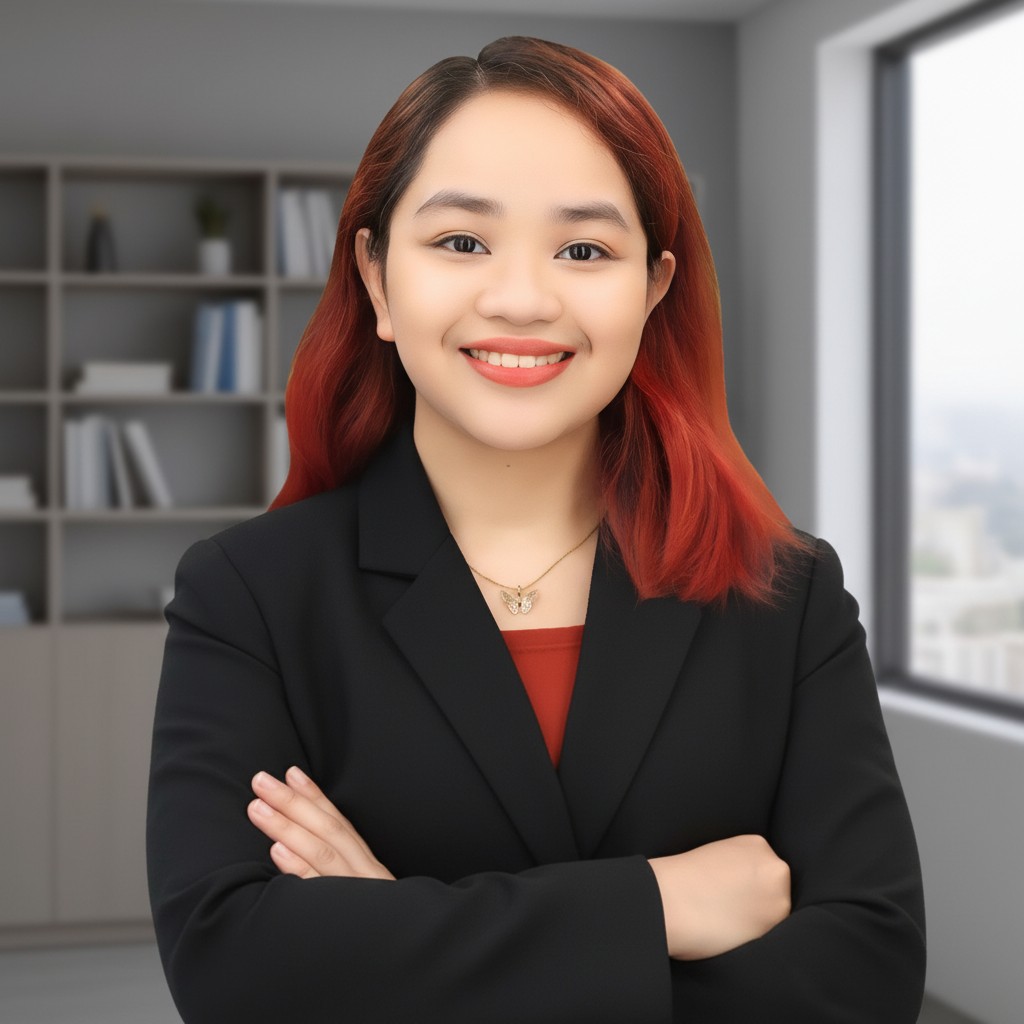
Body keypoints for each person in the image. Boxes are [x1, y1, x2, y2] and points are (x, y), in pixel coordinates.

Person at [147, 35, 926, 1023]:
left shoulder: (784, 594)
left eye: (584, 250)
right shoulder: (250, 595)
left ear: (653, 288)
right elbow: (234, 972)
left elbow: (867, 977)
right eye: (461, 241)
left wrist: (393, 933)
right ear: (377, 279)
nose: (520, 299)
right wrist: (657, 904)